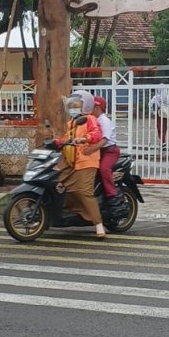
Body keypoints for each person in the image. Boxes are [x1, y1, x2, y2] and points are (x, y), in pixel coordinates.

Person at [55, 90, 106, 238]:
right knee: (59, 185)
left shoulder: (90, 119)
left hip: (87, 160)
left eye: (76, 105)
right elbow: (65, 138)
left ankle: (99, 225)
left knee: (84, 192)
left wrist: (85, 138)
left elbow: (97, 134)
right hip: (71, 161)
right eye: (71, 105)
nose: (73, 108)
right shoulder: (71, 123)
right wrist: (55, 142)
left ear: (87, 105)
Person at [91, 95, 121, 213]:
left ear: (97, 108)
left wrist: (92, 149)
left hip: (109, 151)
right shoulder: (92, 120)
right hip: (98, 151)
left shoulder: (104, 121)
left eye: (92, 107)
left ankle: (112, 195)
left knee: (104, 169)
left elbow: (104, 140)